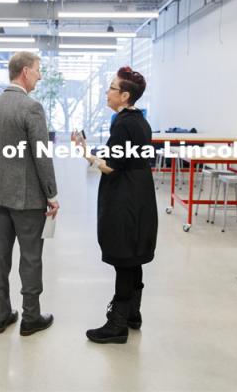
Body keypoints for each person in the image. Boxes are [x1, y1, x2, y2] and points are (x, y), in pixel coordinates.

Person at [72, 66, 158, 345]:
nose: (106, 92)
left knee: (123, 257)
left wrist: (85, 153)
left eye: (111, 87)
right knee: (133, 256)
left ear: (124, 95)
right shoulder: (140, 122)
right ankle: (133, 314)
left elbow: (110, 166)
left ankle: (117, 324)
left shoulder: (122, 123)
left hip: (125, 200)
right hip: (140, 196)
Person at [0, 51, 60, 336]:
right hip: (27, 200)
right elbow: (41, 155)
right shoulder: (31, 107)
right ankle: (31, 318)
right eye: (38, 70)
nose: (40, 75)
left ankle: (1, 316)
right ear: (25, 71)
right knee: (31, 257)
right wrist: (51, 194)